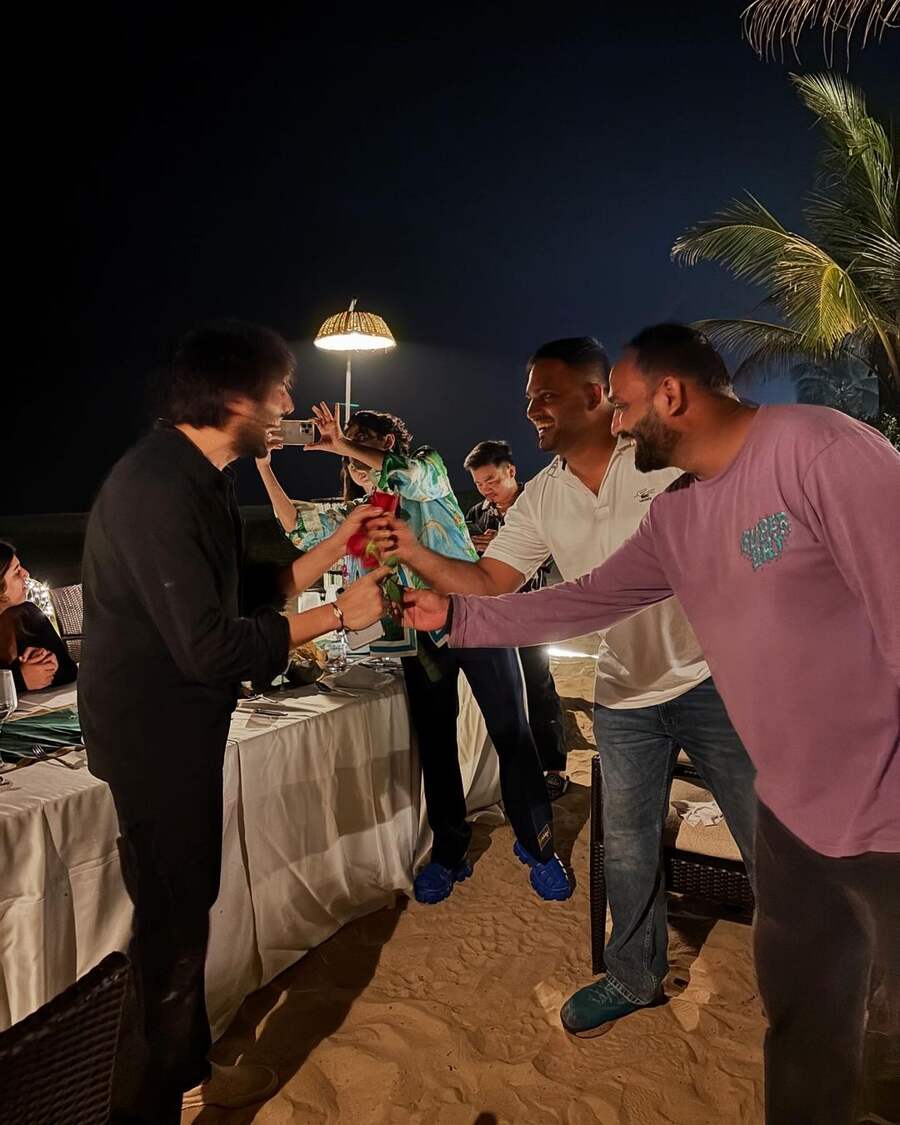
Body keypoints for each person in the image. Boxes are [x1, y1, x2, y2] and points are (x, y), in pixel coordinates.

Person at [401, 324, 900, 1125]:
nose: (622, 424)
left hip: (887, 816)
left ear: (671, 395)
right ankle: (639, 976)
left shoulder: (820, 449)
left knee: (890, 1044)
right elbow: (584, 599)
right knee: (804, 1026)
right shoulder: (676, 514)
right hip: (792, 817)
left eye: (628, 407)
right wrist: (456, 618)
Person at [371, 337, 757, 1037]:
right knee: (629, 846)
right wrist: (416, 554)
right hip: (625, 691)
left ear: (595, 394)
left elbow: (747, 534)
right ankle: (635, 976)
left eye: (545, 393)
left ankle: (815, 969)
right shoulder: (543, 496)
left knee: (771, 833)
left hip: (711, 678)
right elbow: (493, 582)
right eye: (527, 396)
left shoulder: (657, 459)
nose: (530, 408)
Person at [78, 321, 388, 1124]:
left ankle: (190, 1073)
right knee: (172, 935)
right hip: (154, 740)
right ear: (232, 398)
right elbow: (211, 646)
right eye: (278, 389)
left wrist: (336, 549)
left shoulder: (204, 476)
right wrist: (338, 618)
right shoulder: (155, 487)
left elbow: (244, 585)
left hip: (184, 732)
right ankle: (151, 1105)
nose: (288, 404)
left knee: (188, 911)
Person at [256, 402, 572, 906]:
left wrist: (339, 441)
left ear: (391, 448)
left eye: (366, 448)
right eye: (350, 457)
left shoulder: (428, 470)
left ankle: (538, 847)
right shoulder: (359, 516)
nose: (356, 463)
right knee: (436, 742)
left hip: (477, 615)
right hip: (418, 635)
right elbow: (298, 528)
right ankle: (449, 851)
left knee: (513, 732)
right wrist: (264, 467)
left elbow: (412, 474)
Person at [462, 440, 568, 799]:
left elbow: (558, 557)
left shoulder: (537, 506)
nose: (486, 489)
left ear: (511, 471)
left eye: (491, 480)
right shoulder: (478, 513)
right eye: (479, 484)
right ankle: (506, 770)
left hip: (533, 614)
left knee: (539, 688)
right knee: (504, 692)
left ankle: (554, 768)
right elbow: (463, 556)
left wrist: (507, 550)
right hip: (492, 617)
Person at [0, 542, 77, 692]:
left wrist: (50, 665)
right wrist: (20, 679)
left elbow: (69, 670)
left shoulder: (29, 615)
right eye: (16, 572)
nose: (26, 574)